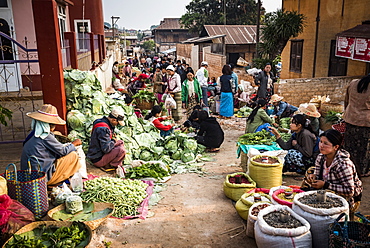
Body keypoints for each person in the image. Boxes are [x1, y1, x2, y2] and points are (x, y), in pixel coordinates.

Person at [21, 104, 82, 186]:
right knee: (73, 155)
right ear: (50, 126)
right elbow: (63, 151)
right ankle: (57, 180)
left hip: (29, 176)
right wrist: (74, 144)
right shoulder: (46, 136)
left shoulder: (33, 134)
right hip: (40, 179)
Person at [307, 129, 362, 214]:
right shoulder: (321, 157)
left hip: (346, 197)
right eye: (321, 142)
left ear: (336, 147)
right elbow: (317, 175)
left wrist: (326, 185)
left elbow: (350, 191)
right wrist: (313, 177)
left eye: (326, 143)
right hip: (326, 190)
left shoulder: (343, 164)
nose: (321, 145)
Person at [343, 74, 370, 177]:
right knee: (364, 150)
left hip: (351, 119)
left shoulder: (354, 83)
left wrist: (347, 113)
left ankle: (347, 168)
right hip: (366, 123)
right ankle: (362, 172)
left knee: (350, 146)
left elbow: (347, 101)